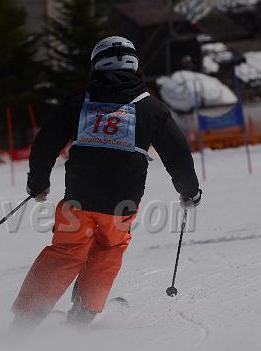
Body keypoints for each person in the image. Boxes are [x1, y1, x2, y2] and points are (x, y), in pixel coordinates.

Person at [11, 36, 202, 329]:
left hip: (78, 200)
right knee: (107, 250)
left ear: (96, 66)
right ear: (135, 66)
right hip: (120, 205)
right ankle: (82, 315)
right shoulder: (150, 108)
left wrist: (38, 182)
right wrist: (189, 191)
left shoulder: (80, 103)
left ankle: (25, 320)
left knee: (66, 251)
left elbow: (46, 142)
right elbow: (177, 155)